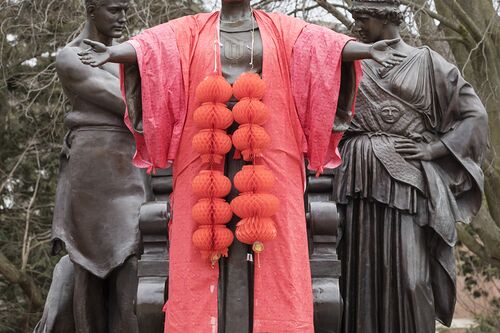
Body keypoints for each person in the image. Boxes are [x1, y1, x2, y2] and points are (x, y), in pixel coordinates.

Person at [78, 0, 407, 331]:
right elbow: (151, 48)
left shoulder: (282, 29)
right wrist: (114, 53)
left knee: (277, 246)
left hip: (268, 147)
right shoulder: (192, 28)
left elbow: (324, 48)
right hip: (208, 149)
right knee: (199, 246)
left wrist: (364, 50)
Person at [332, 1, 489, 332]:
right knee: (355, 274)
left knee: (412, 278)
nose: (356, 25)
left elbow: (475, 115)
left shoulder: (430, 64)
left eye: (363, 18)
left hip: (408, 182)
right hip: (357, 178)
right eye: (354, 18)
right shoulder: (347, 61)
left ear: (387, 18)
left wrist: (435, 149)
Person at [35, 0, 147, 332]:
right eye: (114, 10)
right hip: (93, 169)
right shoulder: (70, 56)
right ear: (92, 9)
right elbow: (129, 106)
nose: (123, 18)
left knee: (132, 259)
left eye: (126, 10)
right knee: (89, 263)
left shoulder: (130, 56)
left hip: (132, 165)